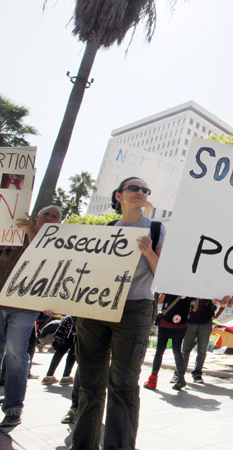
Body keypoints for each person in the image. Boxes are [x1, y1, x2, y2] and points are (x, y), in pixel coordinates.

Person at [70, 177, 165, 450]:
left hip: (134, 308)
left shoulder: (157, 229)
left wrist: (148, 252)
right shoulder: (108, 229)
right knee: (89, 382)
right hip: (95, 308)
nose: (140, 192)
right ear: (118, 195)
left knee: (123, 384)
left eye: (144, 190)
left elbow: (162, 275)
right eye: (133, 188)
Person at [0, 205, 61, 429]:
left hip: (25, 307)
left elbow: (41, 258)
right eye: (46, 214)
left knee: (16, 353)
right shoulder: (13, 233)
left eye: (55, 216)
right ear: (37, 216)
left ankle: (14, 406)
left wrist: (30, 233)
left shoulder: (54, 244)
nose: (50, 218)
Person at [144, 293, 194, 391]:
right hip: (181, 325)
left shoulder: (170, 287)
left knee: (159, 351)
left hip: (165, 323)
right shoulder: (190, 291)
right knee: (177, 350)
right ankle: (181, 379)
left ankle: (152, 381)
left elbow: (159, 301)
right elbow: (194, 308)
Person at [177, 298, 225, 384]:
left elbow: (224, 302)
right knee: (185, 349)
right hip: (190, 321)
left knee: (202, 350)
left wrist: (217, 314)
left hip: (205, 322)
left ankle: (197, 373)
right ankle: (179, 373)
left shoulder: (213, 292)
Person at [41, 315, 77, 385]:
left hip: (64, 333)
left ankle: (49, 375)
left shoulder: (68, 317)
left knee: (59, 353)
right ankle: (66, 376)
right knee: (72, 354)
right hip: (74, 332)